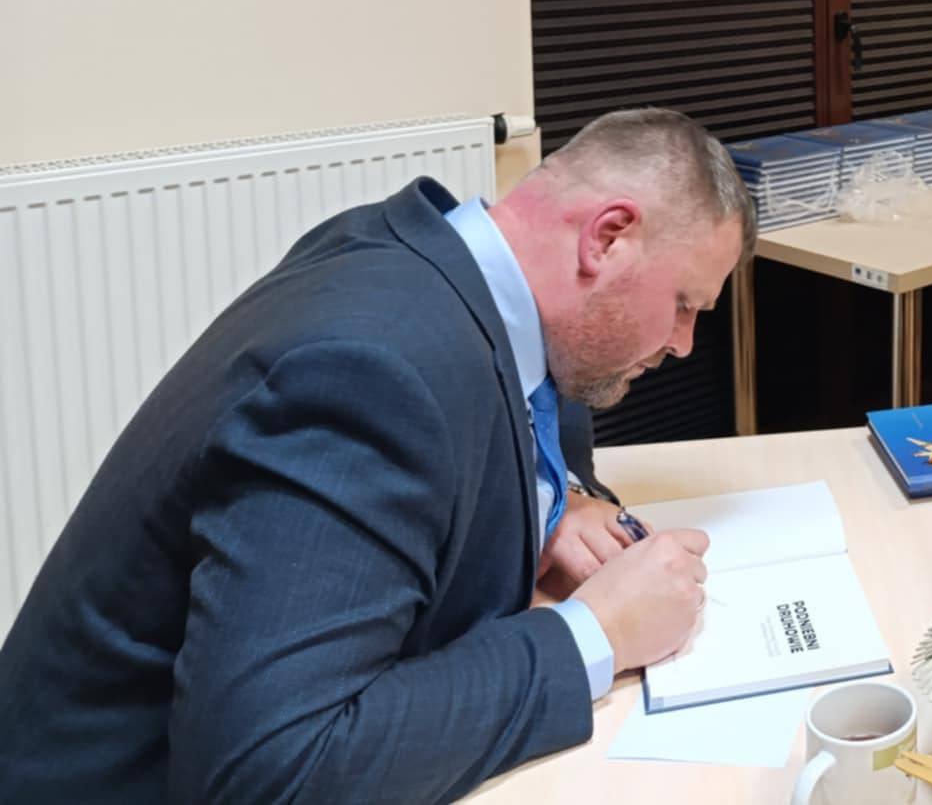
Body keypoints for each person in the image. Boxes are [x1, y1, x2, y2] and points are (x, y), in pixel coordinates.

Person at [0, 108, 751, 803]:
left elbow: (508, 419)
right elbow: (270, 772)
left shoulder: (432, 260)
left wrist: (549, 505)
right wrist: (595, 634)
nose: (684, 344)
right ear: (607, 237)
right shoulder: (372, 373)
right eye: (684, 304)